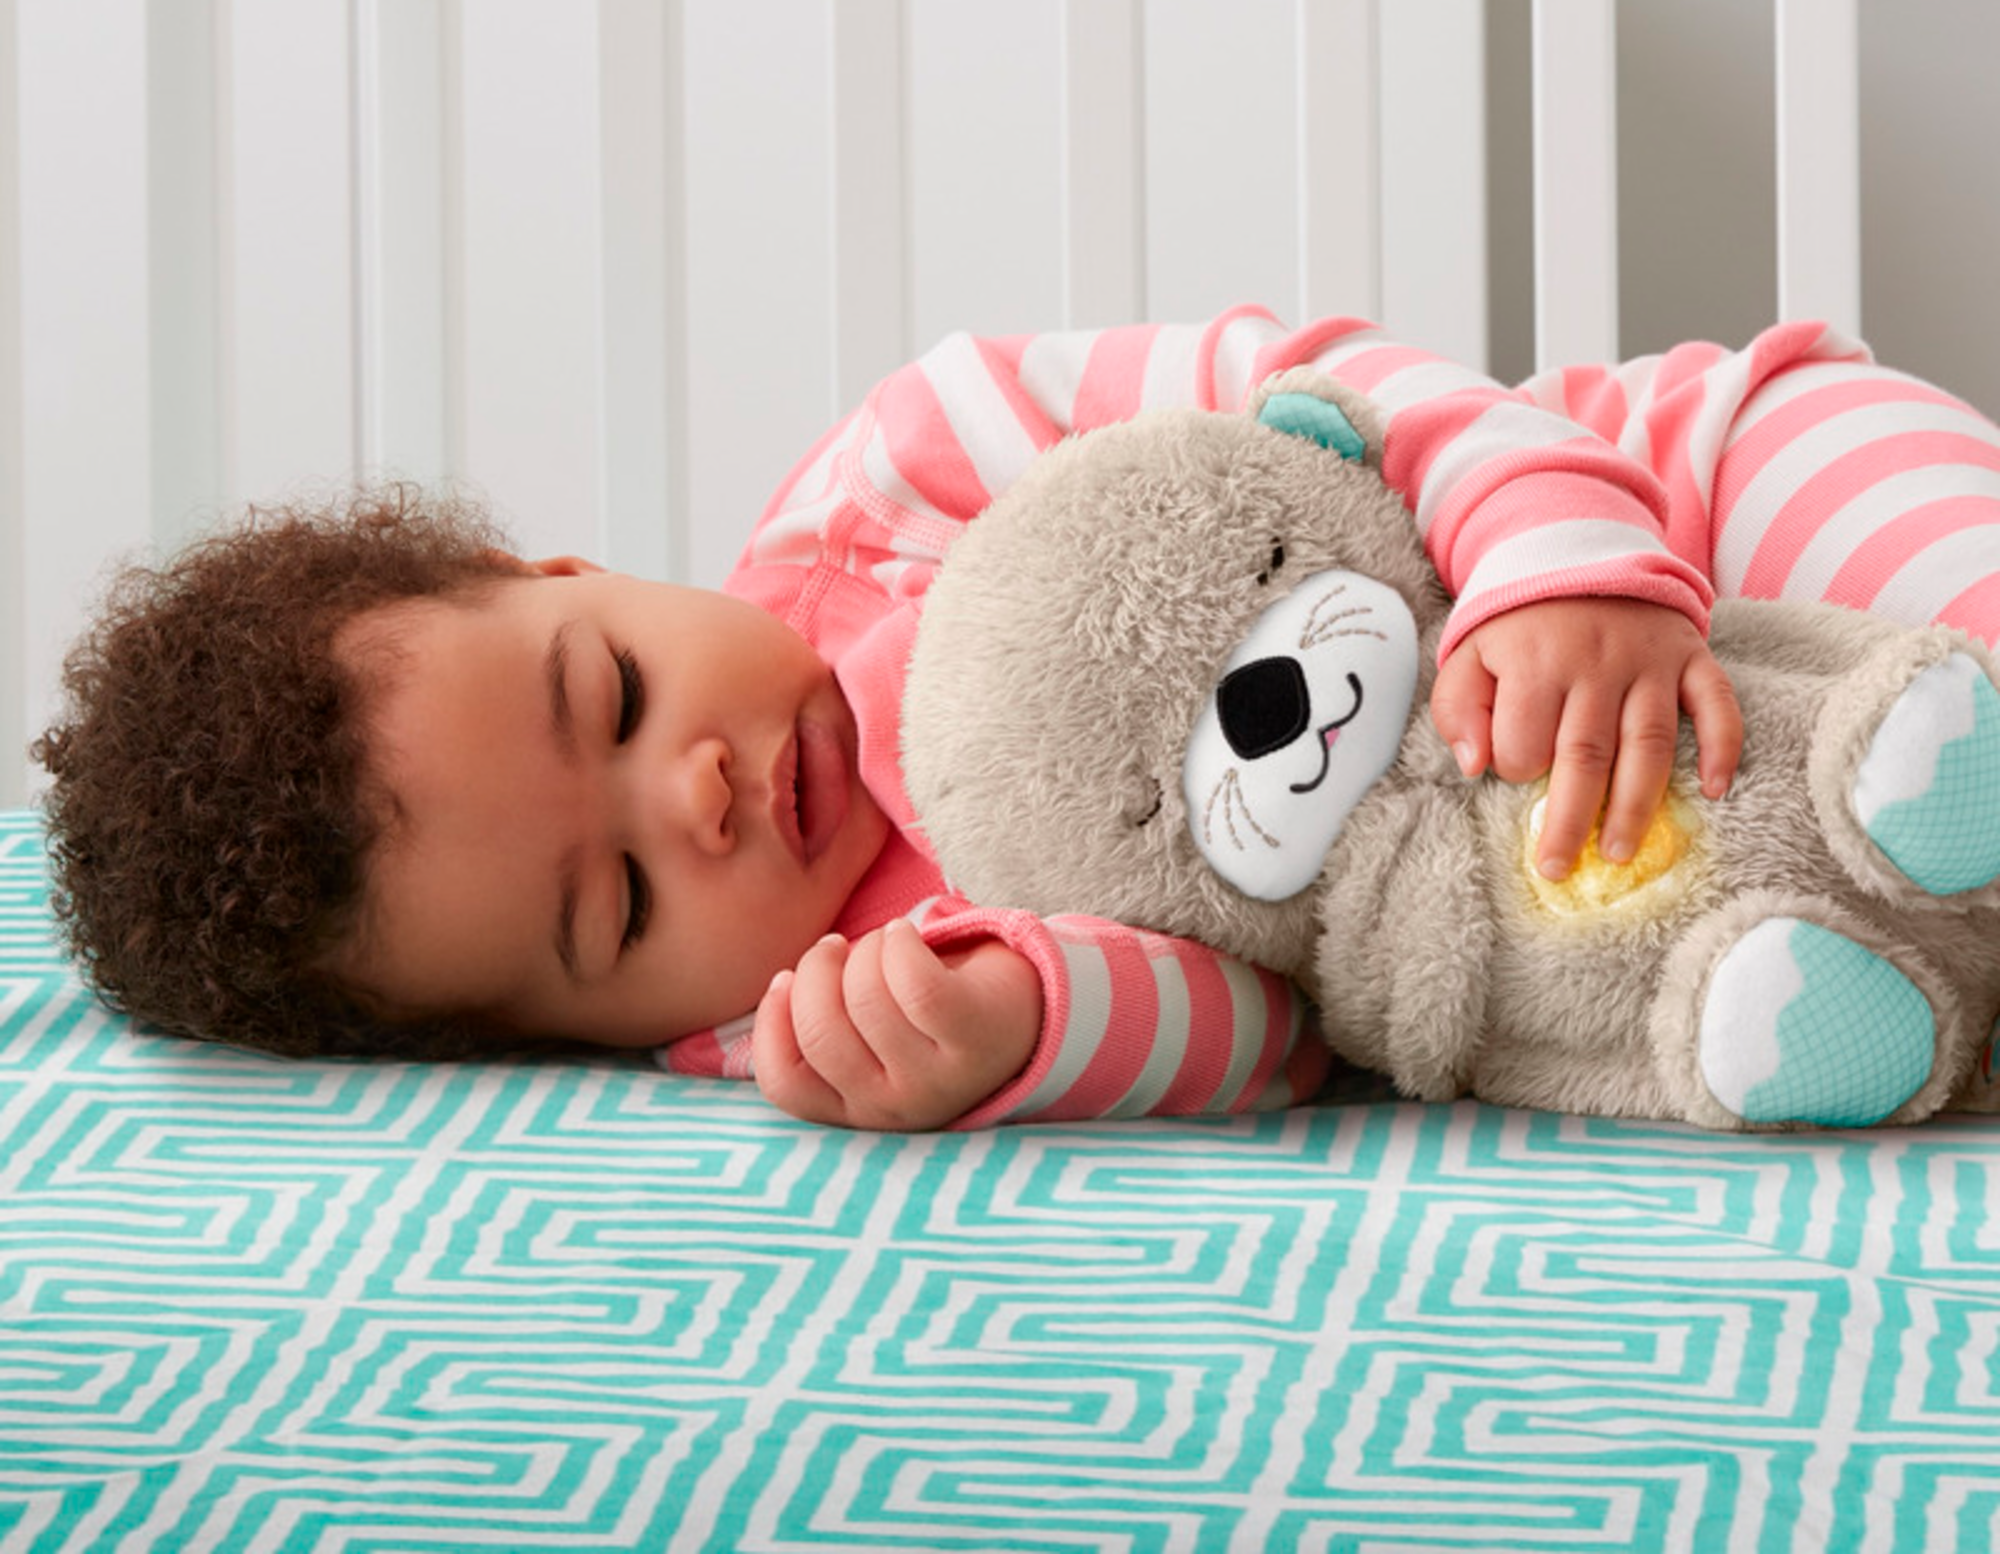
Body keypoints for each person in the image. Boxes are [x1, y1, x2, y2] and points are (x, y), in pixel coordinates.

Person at [34, 305, 2000, 1131]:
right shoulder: (833, 1008)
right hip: (1586, 876)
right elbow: (1275, 1023)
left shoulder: (910, 469)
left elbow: (1346, 393)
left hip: (1694, 500)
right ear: (594, 1040)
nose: (693, 795)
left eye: (613, 695)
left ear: (561, 573)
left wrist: (1569, 567)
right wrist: (1024, 1029)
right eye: (615, 904)